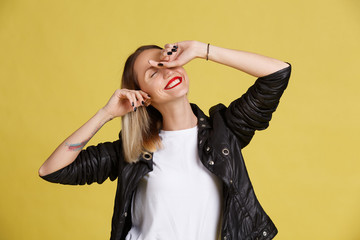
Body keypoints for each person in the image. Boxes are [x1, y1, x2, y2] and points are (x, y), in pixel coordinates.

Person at [39, 40, 292, 240]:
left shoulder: (224, 133)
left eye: (168, 62)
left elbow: (277, 73)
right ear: (143, 96)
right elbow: (52, 169)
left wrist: (201, 49)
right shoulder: (134, 151)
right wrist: (106, 114)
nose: (166, 72)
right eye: (153, 73)